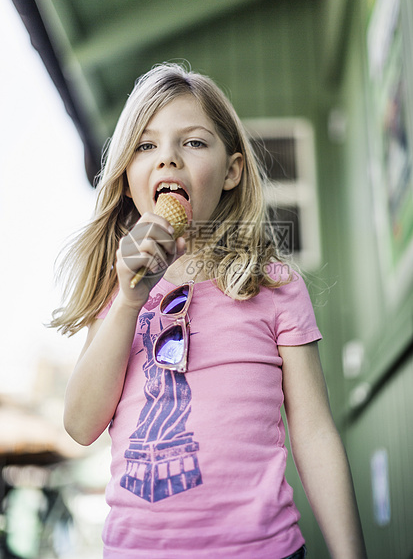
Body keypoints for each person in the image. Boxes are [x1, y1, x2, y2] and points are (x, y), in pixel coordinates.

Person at [52, 63, 367, 559]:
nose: (168, 159)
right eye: (145, 145)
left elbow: (313, 430)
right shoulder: (117, 293)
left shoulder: (272, 285)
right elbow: (81, 424)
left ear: (232, 171)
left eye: (193, 143)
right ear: (128, 175)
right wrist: (131, 301)